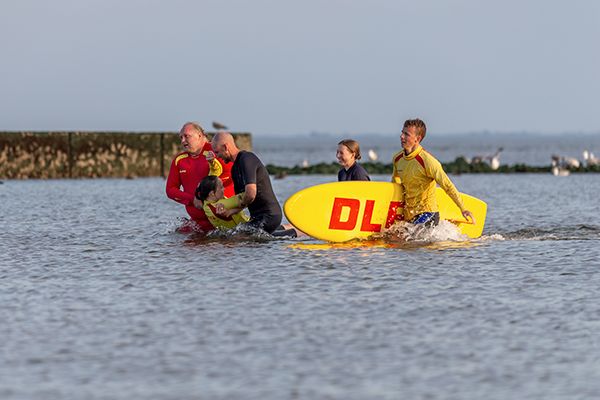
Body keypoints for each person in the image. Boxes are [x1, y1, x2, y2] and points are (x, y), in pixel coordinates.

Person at [211, 131, 297, 237]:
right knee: (241, 234)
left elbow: (251, 194)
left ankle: (302, 234)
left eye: (217, 152)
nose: (218, 157)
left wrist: (232, 207)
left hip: (270, 215)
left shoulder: (247, 159)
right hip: (256, 217)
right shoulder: (234, 169)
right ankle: (294, 229)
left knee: (238, 237)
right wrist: (230, 212)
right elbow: (242, 198)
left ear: (225, 147)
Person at [391, 118, 474, 227]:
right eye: (402, 133)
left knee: (410, 239)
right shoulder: (397, 159)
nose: (401, 136)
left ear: (417, 138)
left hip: (428, 214)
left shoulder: (428, 161)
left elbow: (447, 185)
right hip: (409, 215)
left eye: (406, 134)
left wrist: (463, 208)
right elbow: (395, 182)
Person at [166, 122, 234, 232]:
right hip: (197, 223)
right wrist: (193, 199)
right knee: (175, 241)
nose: (182, 141)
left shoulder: (216, 151)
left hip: (223, 218)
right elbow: (170, 190)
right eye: (181, 137)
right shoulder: (179, 160)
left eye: (187, 136)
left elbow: (233, 178)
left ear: (200, 135)